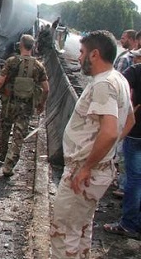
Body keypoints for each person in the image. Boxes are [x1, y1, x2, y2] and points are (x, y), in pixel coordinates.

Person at [49, 30, 135, 258]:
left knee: (63, 233)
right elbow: (130, 120)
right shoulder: (120, 79)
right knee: (81, 230)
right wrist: (106, 154)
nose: (79, 57)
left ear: (94, 54)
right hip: (98, 169)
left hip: (84, 171)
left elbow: (108, 132)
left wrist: (87, 166)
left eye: (82, 52)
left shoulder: (103, 84)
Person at [0, 34, 50, 176]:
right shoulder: (39, 66)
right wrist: (41, 104)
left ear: (20, 45)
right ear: (33, 47)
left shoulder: (12, 62)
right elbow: (46, 88)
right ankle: (8, 166)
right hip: (26, 107)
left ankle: (2, 153)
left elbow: (0, 81)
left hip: (9, 104)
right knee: (18, 136)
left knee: (4, 128)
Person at [103, 48, 141, 240]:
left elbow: (115, 86)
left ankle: (129, 224)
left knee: (134, 179)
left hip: (136, 135)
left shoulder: (135, 71)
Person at [113, 29, 138, 197]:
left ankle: (123, 186)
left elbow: (117, 89)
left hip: (133, 127)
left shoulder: (129, 66)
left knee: (127, 160)